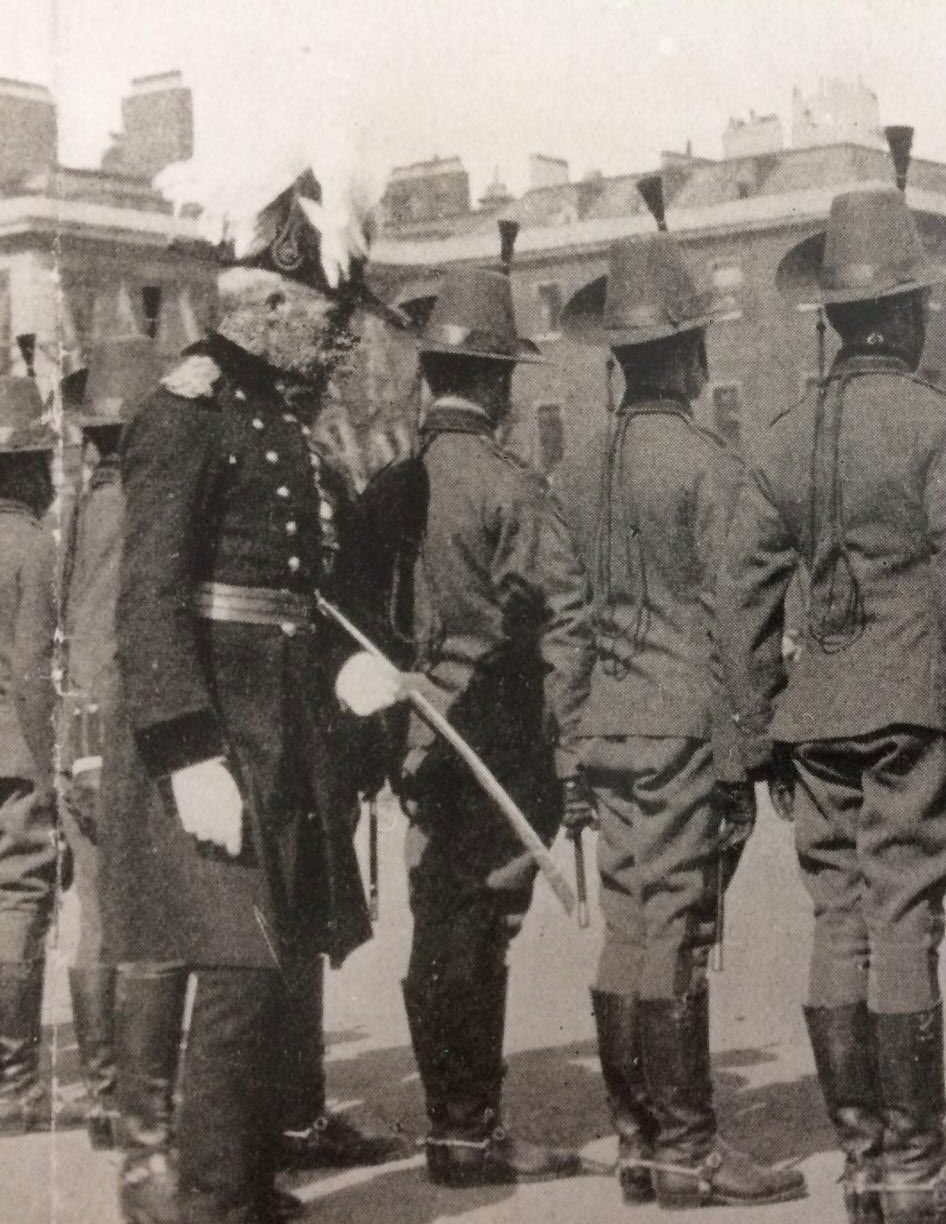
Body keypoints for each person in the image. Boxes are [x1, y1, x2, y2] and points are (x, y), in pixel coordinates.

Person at [722, 180, 946, 1224]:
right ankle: (917, 1172)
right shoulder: (945, 424)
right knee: (904, 921)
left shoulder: (773, 439)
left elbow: (743, 601)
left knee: (837, 919)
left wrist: (764, 727)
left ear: (831, 317)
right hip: (911, 709)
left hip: (814, 716)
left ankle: (864, 1165)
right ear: (903, 313)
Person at [103, 165, 380, 1224]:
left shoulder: (271, 412)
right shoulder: (188, 414)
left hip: (275, 728)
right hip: (213, 738)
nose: (333, 340)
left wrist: (342, 663)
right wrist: (185, 750)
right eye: (321, 317)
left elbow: (287, 587)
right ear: (267, 306)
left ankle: (243, 1184)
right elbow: (151, 601)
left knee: (267, 969)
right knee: (234, 974)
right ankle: (210, 1204)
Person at [542, 200, 807, 1211]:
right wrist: (747, 755)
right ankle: (690, 1149)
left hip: (605, 735)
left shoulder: (570, 474)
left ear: (619, 362)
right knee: (681, 932)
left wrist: (571, 747)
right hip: (687, 731)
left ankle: (639, 1143)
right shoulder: (709, 467)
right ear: (691, 357)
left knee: (628, 927)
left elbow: (561, 629)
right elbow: (741, 628)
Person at [336, 263, 584, 1187]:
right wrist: (572, 748)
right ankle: (471, 1134)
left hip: (412, 734)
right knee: (478, 926)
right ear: (496, 383)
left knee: (440, 919)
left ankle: (455, 1124)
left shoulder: (392, 485)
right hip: (495, 733)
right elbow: (563, 622)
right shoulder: (506, 486)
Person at [56, 336, 163, 1150]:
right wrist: (96, 747)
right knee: (126, 919)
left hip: (82, 732)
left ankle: (105, 1097)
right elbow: (99, 634)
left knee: (100, 916)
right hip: (108, 736)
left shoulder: (86, 501)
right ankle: (122, 1100)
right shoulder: (126, 503)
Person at [0, 374, 59, 1138]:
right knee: (17, 904)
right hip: (14, 750)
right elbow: (34, 673)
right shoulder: (34, 546)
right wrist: (51, 768)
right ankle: (13, 1084)